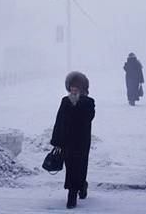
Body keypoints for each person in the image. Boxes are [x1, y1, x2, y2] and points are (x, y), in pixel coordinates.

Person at [51, 71, 95, 209]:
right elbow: (59, 120)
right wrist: (56, 140)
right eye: (71, 86)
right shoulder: (65, 101)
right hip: (67, 141)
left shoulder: (89, 102)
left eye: (76, 86)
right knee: (70, 167)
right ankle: (74, 191)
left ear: (82, 87)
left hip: (81, 142)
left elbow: (87, 118)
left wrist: (79, 103)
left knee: (80, 166)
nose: (73, 89)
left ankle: (78, 189)